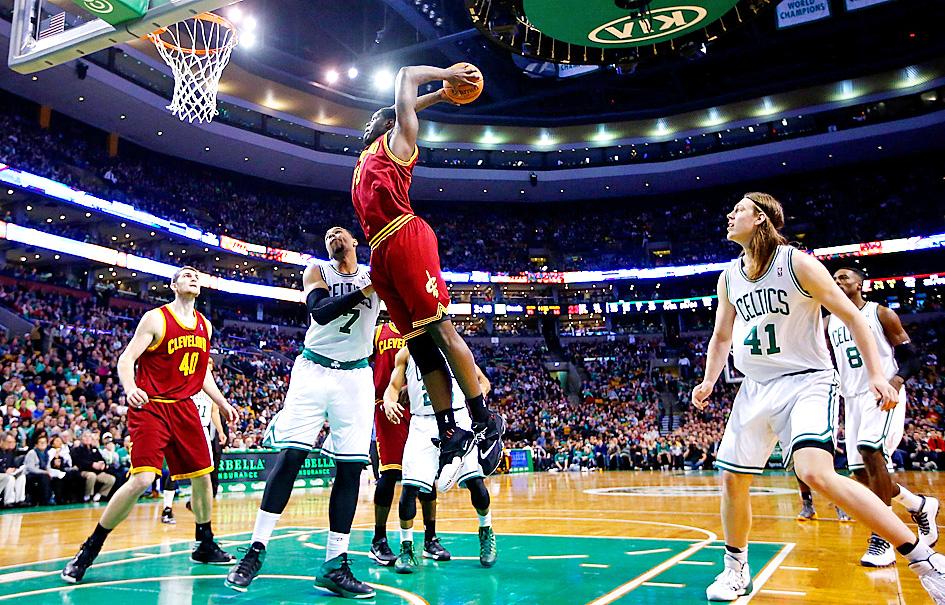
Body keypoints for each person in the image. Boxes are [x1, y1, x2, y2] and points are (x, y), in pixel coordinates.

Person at [691, 193, 945, 602]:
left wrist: (878, 374)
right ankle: (736, 570)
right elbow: (721, 337)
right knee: (732, 480)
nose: (729, 215)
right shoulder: (728, 277)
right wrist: (708, 381)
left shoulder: (798, 264)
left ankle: (924, 560)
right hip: (754, 387)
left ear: (759, 218)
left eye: (737, 210)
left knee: (815, 472)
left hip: (807, 381)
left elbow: (850, 316)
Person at [352, 63, 505, 491]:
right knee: (420, 347)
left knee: (441, 329)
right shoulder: (365, 159)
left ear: (392, 123)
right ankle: (450, 431)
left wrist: (442, 76)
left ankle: (482, 418)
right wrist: (441, 94)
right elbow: (400, 104)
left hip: (405, 237)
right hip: (380, 252)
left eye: (378, 117)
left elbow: (401, 77)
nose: (367, 121)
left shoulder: (397, 144)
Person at [225, 227, 381, 599]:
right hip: (313, 370)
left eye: (340, 231)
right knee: (291, 456)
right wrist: (368, 291)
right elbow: (320, 312)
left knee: (349, 467)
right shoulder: (317, 271)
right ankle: (255, 550)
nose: (332, 236)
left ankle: (335, 563)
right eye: (327, 234)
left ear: (356, 242)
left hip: (357, 375)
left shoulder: (375, 274)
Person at [61, 266, 239, 584]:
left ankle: (205, 543)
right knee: (142, 480)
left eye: (197, 275)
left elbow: (202, 374)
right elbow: (126, 359)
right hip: (152, 407)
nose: (193, 278)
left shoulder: (205, 326)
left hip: (184, 408)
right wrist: (130, 388)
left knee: (204, 479)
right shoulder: (156, 318)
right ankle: (89, 550)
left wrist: (223, 403)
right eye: (186, 275)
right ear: (173, 285)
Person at [827, 267, 937, 566]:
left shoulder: (881, 314)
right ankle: (918, 505)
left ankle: (883, 539)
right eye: (834, 279)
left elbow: (912, 358)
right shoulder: (829, 322)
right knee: (860, 473)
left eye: (844, 278)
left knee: (870, 450)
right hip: (850, 398)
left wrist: (895, 384)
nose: (838, 282)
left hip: (882, 392)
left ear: (861, 284)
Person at [382, 347, 497, 573]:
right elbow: (392, 388)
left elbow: (483, 381)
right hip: (421, 423)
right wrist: (389, 402)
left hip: (458, 418)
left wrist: (479, 397)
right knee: (409, 490)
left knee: (476, 483)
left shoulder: (453, 347)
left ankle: (486, 531)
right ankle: (407, 547)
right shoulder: (406, 353)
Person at [369, 321, 443, 566]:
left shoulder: (423, 331)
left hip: (420, 410)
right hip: (387, 406)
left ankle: (430, 539)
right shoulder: (379, 331)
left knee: (426, 476)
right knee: (389, 475)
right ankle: (378, 540)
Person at [163, 374, 227, 524]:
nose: (209, 365)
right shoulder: (185, 381)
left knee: (204, 474)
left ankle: (194, 504)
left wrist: (220, 431)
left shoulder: (210, 389)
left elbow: (214, 411)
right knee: (174, 472)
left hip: (202, 431)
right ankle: (167, 509)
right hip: (183, 428)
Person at [72, 431, 115, 503]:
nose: (87, 438)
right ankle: (88, 496)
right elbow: (79, 462)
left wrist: (102, 465)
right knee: (92, 476)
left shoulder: (94, 449)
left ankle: (99, 495)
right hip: (83, 471)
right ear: (81, 439)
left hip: (97, 471)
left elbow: (102, 459)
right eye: (85, 436)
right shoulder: (77, 450)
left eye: (89, 436)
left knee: (111, 479)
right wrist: (92, 464)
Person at [0, 432, 26, 507]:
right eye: (9, 442)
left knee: (21, 477)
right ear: (1, 441)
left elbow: (12, 464)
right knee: (9, 478)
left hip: (8, 474)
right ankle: (8, 501)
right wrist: (4, 471)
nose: (11, 444)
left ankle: (20, 500)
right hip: (2, 474)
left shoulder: (10, 452)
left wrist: (14, 469)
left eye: (13, 442)